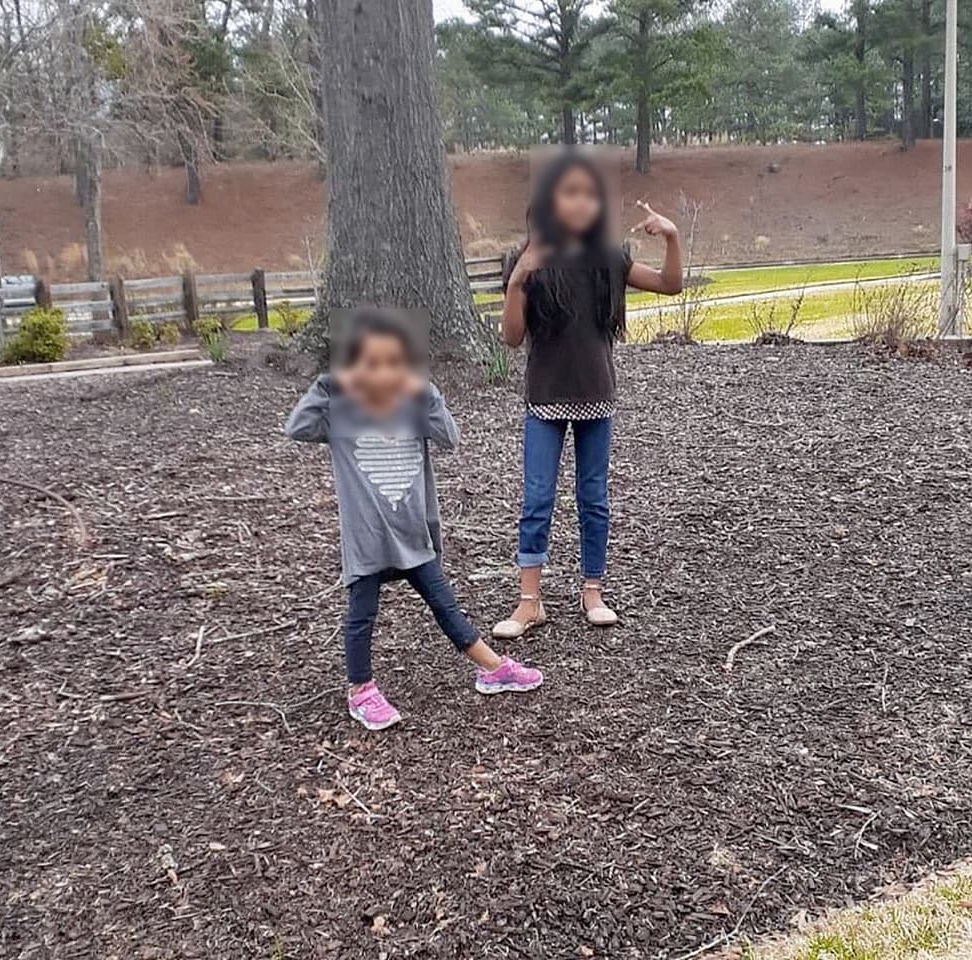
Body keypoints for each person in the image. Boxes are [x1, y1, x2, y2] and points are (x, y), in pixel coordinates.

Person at [285, 308, 543, 731]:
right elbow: (298, 427)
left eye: (393, 363)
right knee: (361, 615)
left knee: (445, 605)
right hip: (367, 539)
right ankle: (360, 691)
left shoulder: (412, 407)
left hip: (412, 535)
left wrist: (426, 392)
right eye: (369, 364)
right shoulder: (341, 412)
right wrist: (328, 384)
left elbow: (450, 437)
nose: (382, 373)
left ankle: (492, 669)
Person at [491, 150, 683, 640]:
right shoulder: (528, 259)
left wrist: (673, 237)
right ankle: (529, 600)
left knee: (593, 498)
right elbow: (512, 338)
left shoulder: (609, 260)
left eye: (588, 194)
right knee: (537, 498)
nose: (580, 202)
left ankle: (592, 591)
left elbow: (669, 285)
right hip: (544, 401)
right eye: (569, 192)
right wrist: (518, 279)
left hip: (596, 398)